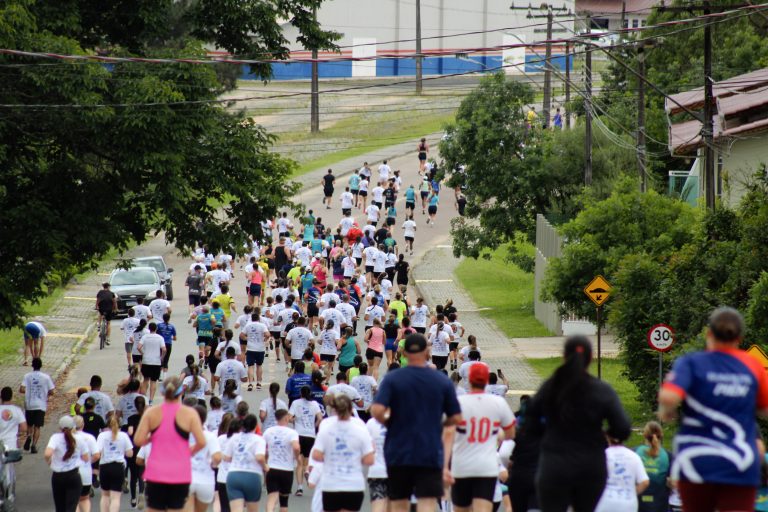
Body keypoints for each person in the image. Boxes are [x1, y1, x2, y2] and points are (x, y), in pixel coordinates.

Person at [658, 307, 768, 512]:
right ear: (739, 338)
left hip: (696, 462)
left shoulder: (691, 363)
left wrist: (667, 411)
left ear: (709, 334)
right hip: (739, 463)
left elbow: (668, 396)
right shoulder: (752, 366)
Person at [528, 335, 631, 512]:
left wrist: (545, 435)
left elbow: (529, 422)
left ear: (564, 356)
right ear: (591, 358)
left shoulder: (550, 387)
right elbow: (622, 428)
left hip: (554, 463)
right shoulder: (601, 390)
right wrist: (605, 433)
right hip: (590, 465)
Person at [371, 333, 462, 512]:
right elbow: (456, 417)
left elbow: (377, 410)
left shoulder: (393, 378)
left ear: (404, 354)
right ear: (427, 352)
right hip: (429, 450)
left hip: (398, 450)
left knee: (398, 502)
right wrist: (439, 424)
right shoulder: (441, 380)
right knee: (427, 501)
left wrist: (390, 422)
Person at [445, 363, 516, 512]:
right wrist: (497, 432)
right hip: (486, 467)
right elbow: (511, 433)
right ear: (486, 381)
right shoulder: (498, 403)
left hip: (461, 466)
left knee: (460, 508)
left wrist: (445, 466)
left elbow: (447, 433)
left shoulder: (457, 403)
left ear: (469, 380)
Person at [133, 376, 207, 512]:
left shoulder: (152, 413)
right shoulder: (189, 414)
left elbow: (138, 440)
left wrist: (151, 438)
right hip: (180, 471)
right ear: (181, 393)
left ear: (162, 393)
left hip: (156, 472)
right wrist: (188, 451)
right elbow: (202, 441)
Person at [313, 395, 375, 512]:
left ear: (334, 409)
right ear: (351, 409)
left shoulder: (326, 428)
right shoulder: (360, 428)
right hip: (354, 484)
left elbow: (316, 455)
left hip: (331, 483)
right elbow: (370, 459)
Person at [222, 414, 267, 512]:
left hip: (234, 474)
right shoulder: (259, 440)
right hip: (252, 475)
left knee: (236, 509)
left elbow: (226, 457)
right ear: (255, 426)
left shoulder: (234, 438)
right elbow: (260, 457)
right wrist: (265, 466)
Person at [594, 436, 650, 512]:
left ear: (608, 438)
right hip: (628, 505)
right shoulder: (634, 456)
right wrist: (632, 493)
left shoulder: (601, 455)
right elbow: (645, 482)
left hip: (605, 502)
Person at [46, 415, 89, 512]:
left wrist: (50, 462)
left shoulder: (55, 438)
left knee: (60, 507)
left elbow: (47, 454)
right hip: (73, 475)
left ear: (60, 427)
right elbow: (86, 458)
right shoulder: (79, 439)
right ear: (73, 427)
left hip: (58, 476)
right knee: (71, 506)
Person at [289, 386, 323, 497]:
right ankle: (307, 472)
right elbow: (320, 418)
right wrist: (314, 426)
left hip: (298, 434)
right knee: (306, 462)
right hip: (310, 435)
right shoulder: (314, 404)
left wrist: (295, 420)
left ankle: (299, 488)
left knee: (299, 463)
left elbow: (289, 418)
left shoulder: (295, 403)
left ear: (301, 393)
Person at [95, 416, 134, 512]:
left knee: (105, 495)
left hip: (104, 466)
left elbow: (97, 453)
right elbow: (130, 453)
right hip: (118, 467)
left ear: (107, 424)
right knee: (116, 497)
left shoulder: (102, 436)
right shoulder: (124, 436)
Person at [264, 409, 300, 512]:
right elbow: (296, 447)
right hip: (286, 469)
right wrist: (297, 457)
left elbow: (263, 448)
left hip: (272, 468)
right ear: (286, 418)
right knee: (284, 502)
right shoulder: (292, 433)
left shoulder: (268, 431)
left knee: (271, 498)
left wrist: (266, 459)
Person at [189, 405, 222, 512]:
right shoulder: (210, 436)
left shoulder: (183, 435)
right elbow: (217, 458)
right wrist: (211, 463)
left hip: (186, 479)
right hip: (205, 480)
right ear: (204, 419)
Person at [20, 357, 55, 453]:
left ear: (32, 365)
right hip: (40, 405)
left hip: (29, 404)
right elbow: (52, 391)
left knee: (30, 425)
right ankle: (34, 445)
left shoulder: (27, 376)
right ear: (41, 366)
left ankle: (28, 437)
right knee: (37, 427)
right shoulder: (46, 377)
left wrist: (29, 391)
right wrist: (45, 392)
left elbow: (21, 389)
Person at [636, 421, 671, 512]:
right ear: (661, 435)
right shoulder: (668, 455)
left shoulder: (635, 452)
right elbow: (673, 483)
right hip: (660, 504)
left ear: (644, 435)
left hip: (638, 504)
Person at [138, 322, 166, 403]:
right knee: (153, 381)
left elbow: (139, 347)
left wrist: (143, 353)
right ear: (156, 328)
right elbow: (164, 349)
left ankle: (144, 398)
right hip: (156, 361)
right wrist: (162, 357)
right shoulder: (160, 337)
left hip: (146, 361)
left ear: (149, 329)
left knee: (145, 380)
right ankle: (151, 400)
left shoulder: (145, 337)